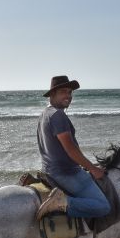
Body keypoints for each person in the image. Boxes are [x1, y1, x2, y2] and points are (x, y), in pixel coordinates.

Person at [36, 75, 110, 220]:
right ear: (52, 94)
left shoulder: (45, 114)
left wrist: (87, 165)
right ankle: (61, 203)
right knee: (103, 206)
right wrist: (93, 169)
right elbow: (71, 150)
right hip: (66, 173)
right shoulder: (58, 115)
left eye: (70, 92)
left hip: (51, 170)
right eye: (63, 91)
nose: (68, 96)